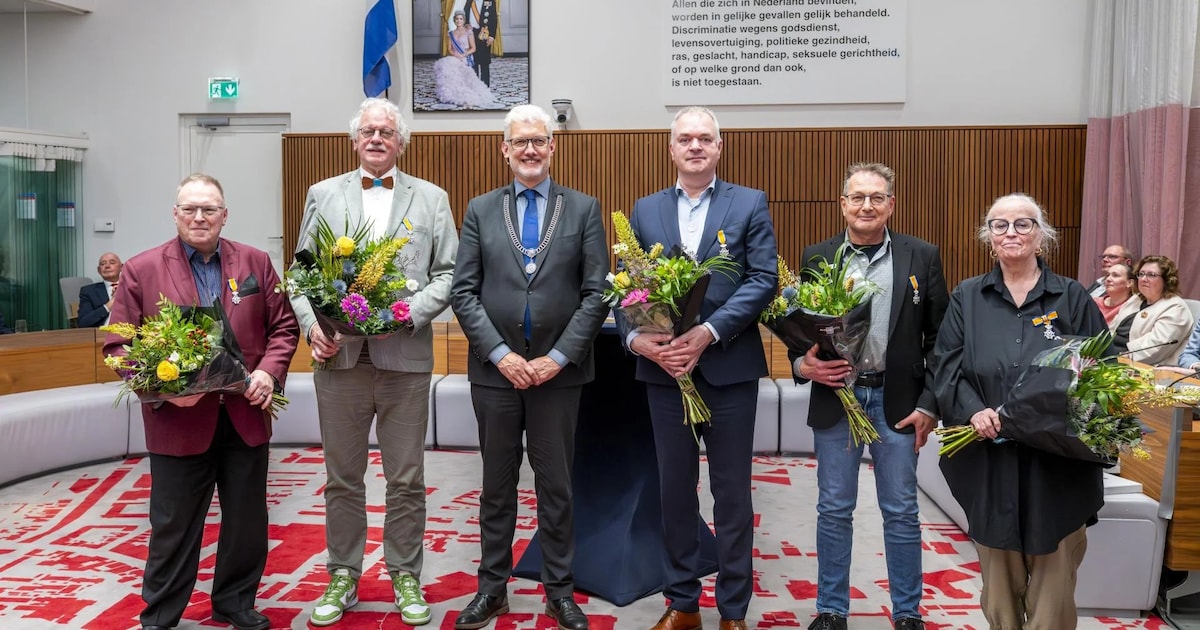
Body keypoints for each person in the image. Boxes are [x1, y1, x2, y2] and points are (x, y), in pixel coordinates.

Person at [103, 173, 299, 630]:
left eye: (209, 209)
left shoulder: (255, 262)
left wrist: (269, 373)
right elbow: (117, 347)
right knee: (173, 527)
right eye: (189, 208)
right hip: (179, 423)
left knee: (247, 523)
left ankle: (234, 602)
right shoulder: (141, 269)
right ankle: (162, 614)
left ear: (224, 215)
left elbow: (283, 328)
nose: (199, 217)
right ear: (175, 214)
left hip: (245, 415)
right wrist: (166, 390)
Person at [292, 98, 459, 627]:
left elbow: (450, 273)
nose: (377, 138)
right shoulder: (323, 194)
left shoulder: (432, 199)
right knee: (343, 477)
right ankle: (343, 573)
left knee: (406, 478)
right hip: (337, 358)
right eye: (368, 131)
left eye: (387, 131)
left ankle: (405, 574)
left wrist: (412, 312)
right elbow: (299, 275)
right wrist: (313, 327)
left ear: (401, 142)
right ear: (355, 139)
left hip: (404, 358)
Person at [449, 103, 607, 630]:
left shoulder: (584, 209)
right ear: (505, 149)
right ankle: (492, 588)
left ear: (553, 147)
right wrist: (502, 354)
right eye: (521, 142)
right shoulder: (480, 209)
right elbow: (464, 291)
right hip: (495, 373)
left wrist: (557, 358)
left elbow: (596, 294)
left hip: (559, 376)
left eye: (540, 140)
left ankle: (558, 591)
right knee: (496, 486)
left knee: (556, 486)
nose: (531, 149)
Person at [626, 106, 776, 630]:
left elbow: (762, 279)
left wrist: (708, 332)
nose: (695, 146)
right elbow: (630, 289)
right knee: (674, 492)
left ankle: (733, 611)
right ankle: (683, 604)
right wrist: (638, 338)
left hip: (729, 370)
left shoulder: (750, 203)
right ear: (671, 149)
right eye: (685, 139)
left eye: (705, 139)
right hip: (666, 373)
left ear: (718, 148)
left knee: (732, 493)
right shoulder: (643, 211)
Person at [932, 193, 1108, 629]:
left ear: (1041, 236)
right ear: (988, 237)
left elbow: (1104, 368)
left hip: (1058, 464)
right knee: (999, 592)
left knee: (1053, 593)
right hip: (991, 459)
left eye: (1023, 224)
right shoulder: (967, 297)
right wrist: (974, 411)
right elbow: (945, 365)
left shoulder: (1072, 297)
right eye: (1000, 225)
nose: (1011, 233)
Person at [791, 163, 949, 630]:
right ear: (842, 204)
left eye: (877, 197)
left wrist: (929, 403)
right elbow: (802, 332)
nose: (866, 205)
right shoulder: (817, 256)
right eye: (857, 197)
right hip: (839, 400)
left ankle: (907, 614)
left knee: (901, 511)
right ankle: (831, 610)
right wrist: (804, 365)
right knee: (834, 509)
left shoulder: (922, 256)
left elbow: (940, 338)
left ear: (891, 205)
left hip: (897, 404)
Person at [1110, 255, 1194, 366]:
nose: (1144, 279)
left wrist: (1116, 356)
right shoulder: (1136, 299)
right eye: (1141, 274)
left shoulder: (1176, 308)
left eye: (1151, 275)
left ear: (1166, 280)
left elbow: (1155, 348)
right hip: (1112, 354)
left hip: (1141, 366)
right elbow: (1112, 328)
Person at [433, 10, 500, 108]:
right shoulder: (450, 33)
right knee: (444, 66)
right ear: (454, 20)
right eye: (457, 19)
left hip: (466, 57)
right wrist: (456, 55)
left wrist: (463, 55)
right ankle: (451, 92)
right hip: (455, 57)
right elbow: (449, 49)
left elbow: (473, 48)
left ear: (464, 20)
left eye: (461, 19)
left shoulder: (469, 32)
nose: (459, 21)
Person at [78, 251, 123, 328]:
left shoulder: (133, 288)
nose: (107, 266)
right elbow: (83, 323)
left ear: (122, 267)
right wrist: (109, 306)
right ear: (99, 270)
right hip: (102, 335)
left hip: (131, 334)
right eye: (103, 264)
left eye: (112, 263)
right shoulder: (88, 291)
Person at [462, 0, 497, 86]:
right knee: (473, 62)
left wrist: (492, 36)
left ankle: (485, 88)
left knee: (484, 62)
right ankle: (475, 86)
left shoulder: (490, 1)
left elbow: (493, 19)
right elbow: (465, 14)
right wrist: (466, 25)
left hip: (484, 33)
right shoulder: (470, 1)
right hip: (471, 33)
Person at [1092, 262, 1136, 327]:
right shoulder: (1093, 302)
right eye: (1107, 275)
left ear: (1129, 283)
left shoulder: (1134, 307)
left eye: (1115, 275)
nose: (1108, 279)